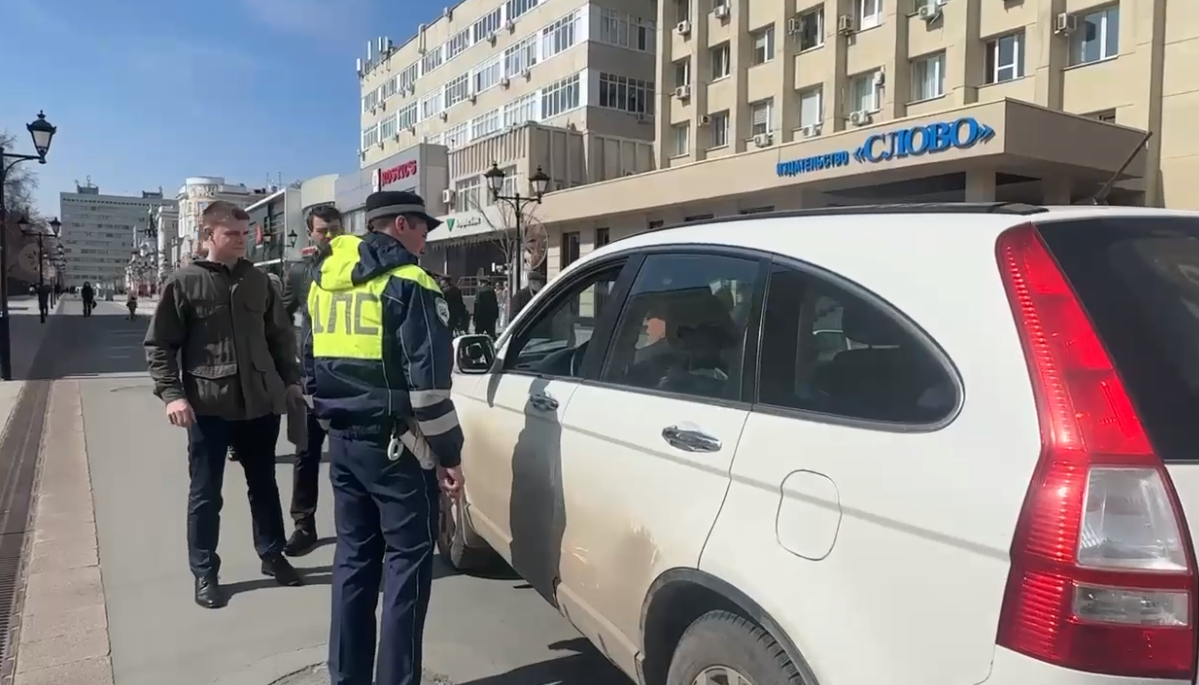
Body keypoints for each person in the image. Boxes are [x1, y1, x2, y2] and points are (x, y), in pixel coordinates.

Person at [303, 190, 464, 685]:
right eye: (423, 228)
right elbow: (430, 391)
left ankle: (346, 677)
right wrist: (449, 456)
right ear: (400, 224)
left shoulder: (325, 281)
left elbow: (308, 365)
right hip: (398, 448)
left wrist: (331, 421)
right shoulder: (411, 283)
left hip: (344, 444)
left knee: (353, 562)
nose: (426, 239)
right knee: (406, 570)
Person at [144, 200, 305, 609]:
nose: (242, 240)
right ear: (208, 235)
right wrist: (172, 395)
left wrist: (291, 382)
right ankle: (205, 572)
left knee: (264, 485)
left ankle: (272, 554)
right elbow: (160, 345)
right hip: (208, 406)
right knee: (205, 494)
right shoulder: (184, 282)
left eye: (245, 232)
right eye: (232, 233)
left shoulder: (260, 281)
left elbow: (280, 337)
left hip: (259, 404)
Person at [279, 204, 342, 556]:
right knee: (306, 454)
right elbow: (279, 321)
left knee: (352, 458)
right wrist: (291, 368)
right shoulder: (300, 272)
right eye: (323, 230)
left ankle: (356, 527)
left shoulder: (361, 267)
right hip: (310, 379)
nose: (330, 236)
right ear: (310, 234)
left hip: (350, 381)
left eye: (335, 229)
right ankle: (304, 524)